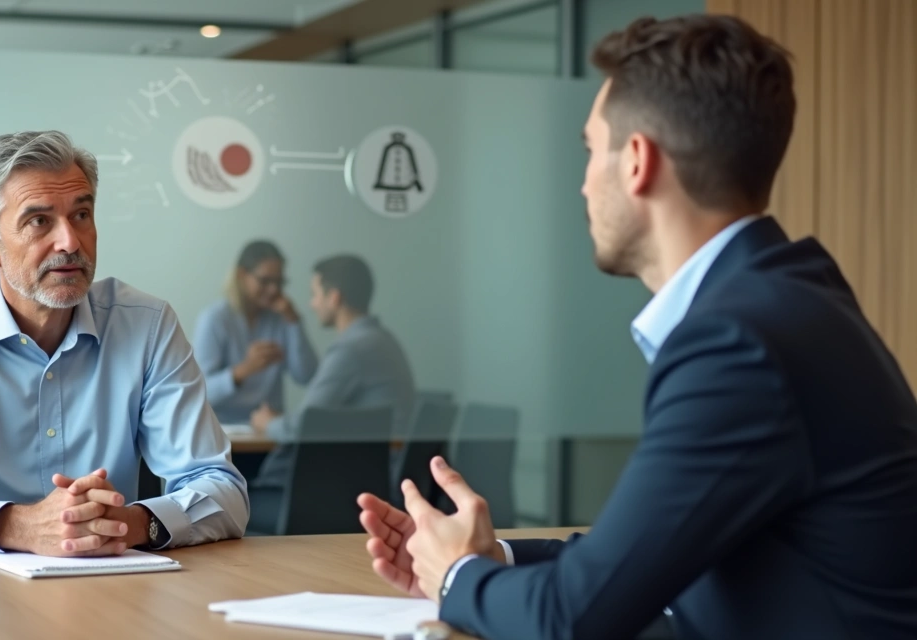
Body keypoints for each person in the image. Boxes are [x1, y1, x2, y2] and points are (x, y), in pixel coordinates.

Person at [358, 14, 917, 640]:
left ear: (637, 162)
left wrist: (457, 578)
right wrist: (494, 562)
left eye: (592, 149)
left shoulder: (738, 344)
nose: (582, 181)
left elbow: (573, 619)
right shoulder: (785, 300)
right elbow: (644, 561)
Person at [0, 131, 248, 556]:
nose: (70, 242)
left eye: (82, 215)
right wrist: (16, 525)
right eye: (39, 221)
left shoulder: (147, 326)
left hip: (110, 588)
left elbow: (223, 491)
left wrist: (129, 524)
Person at [249, 255, 415, 534]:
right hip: (379, 487)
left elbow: (305, 425)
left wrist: (268, 424)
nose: (312, 303)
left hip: (347, 496)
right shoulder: (383, 340)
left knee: (232, 503)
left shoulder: (351, 351)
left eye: (315, 294)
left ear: (334, 297)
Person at [193, 241, 318, 426]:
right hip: (223, 433)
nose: (274, 289)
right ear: (242, 275)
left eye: (279, 282)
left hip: (269, 431)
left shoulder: (281, 319)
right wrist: (244, 370)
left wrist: (294, 322)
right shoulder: (214, 319)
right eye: (265, 281)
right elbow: (198, 393)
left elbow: (306, 376)